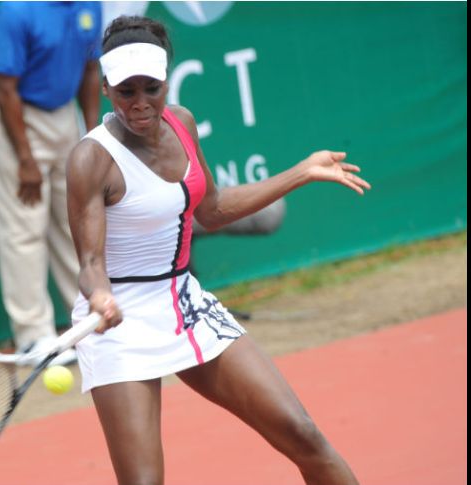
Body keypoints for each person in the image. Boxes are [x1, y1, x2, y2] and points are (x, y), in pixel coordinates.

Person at [66, 15, 371, 485]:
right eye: (127, 91)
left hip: (185, 302)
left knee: (303, 435)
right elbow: (90, 263)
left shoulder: (182, 123)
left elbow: (212, 209)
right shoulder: (90, 158)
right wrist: (101, 297)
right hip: (119, 322)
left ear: (167, 79)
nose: (141, 103)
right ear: (106, 87)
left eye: (152, 87)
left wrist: (302, 172)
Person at [0, 2, 102, 366]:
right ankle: (33, 338)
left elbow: (91, 70)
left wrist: (91, 136)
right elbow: (5, 88)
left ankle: (88, 321)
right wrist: (25, 158)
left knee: (72, 218)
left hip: (60, 114)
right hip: (12, 113)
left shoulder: (90, 5)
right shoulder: (18, 11)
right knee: (23, 226)